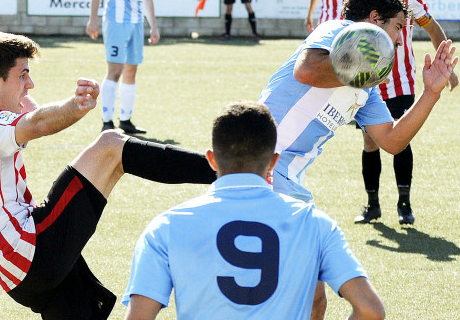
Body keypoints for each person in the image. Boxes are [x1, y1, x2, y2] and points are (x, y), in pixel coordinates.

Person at [115, 0, 457, 320]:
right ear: (373, 19)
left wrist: (430, 93)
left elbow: (393, 142)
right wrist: (360, 71)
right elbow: (306, 70)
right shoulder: (337, 30)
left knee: (312, 302)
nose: (401, 39)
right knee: (291, 298)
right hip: (259, 170)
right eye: (398, 27)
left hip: (288, 179)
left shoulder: (366, 89)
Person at [121, 101, 385, 320]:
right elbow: (370, 310)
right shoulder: (314, 223)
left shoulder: (166, 227)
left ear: (211, 159)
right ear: (273, 162)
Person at [0, 31, 134, 319]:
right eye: (23, 75)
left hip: (12, 270)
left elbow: (30, 115)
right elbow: (39, 123)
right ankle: (217, 167)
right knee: (111, 147)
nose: (30, 83)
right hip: (31, 253)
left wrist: (27, 96)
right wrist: (75, 105)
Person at [356, 0, 458, 225]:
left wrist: (446, 66)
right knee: (369, 140)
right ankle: (372, 204)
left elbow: (432, 27)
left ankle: (404, 205)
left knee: (401, 140)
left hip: (401, 82)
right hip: (367, 84)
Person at [87, 0, 160, 134]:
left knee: (131, 70)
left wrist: (153, 25)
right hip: (116, 21)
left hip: (136, 23)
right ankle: (107, 122)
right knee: (115, 70)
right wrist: (92, 19)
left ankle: (126, 120)